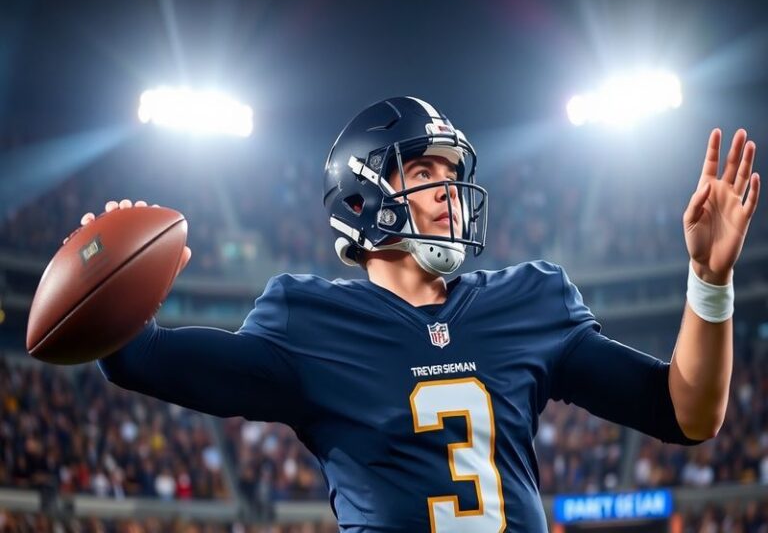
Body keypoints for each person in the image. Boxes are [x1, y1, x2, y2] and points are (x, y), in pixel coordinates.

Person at [74, 97, 760, 532]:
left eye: (450, 174)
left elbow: (687, 415)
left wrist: (708, 278)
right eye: (424, 173)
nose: (449, 195)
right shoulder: (306, 322)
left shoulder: (531, 299)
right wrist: (108, 286)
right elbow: (139, 358)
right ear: (360, 198)